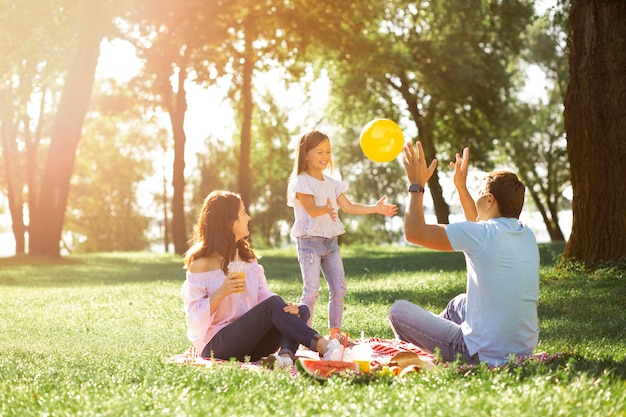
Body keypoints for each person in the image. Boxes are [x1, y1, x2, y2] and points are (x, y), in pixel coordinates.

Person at [388, 141, 539, 366]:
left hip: (480, 353)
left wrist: (416, 185)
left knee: (398, 311)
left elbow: (414, 232)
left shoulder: (482, 234)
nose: (476, 197)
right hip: (522, 348)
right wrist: (461, 187)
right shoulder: (525, 234)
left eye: (480, 193)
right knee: (458, 304)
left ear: (489, 200)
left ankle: (421, 354)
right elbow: (477, 225)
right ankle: (433, 346)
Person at [181, 190, 339, 369]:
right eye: (243, 213)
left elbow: (264, 298)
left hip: (251, 344)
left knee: (300, 311)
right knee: (275, 305)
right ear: (229, 222)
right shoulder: (201, 263)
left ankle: (285, 356)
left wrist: (287, 308)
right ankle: (322, 345)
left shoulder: (247, 259)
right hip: (216, 346)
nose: (248, 218)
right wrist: (221, 292)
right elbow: (193, 318)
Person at [287, 129, 398, 339]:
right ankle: (304, 335)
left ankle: (335, 333)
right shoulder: (301, 181)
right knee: (311, 291)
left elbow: (349, 206)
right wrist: (325, 209)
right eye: (319, 152)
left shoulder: (331, 183)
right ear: (305, 154)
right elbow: (310, 208)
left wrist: (375, 208)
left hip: (331, 242)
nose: (325, 157)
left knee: (339, 288)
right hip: (309, 242)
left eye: (327, 152)